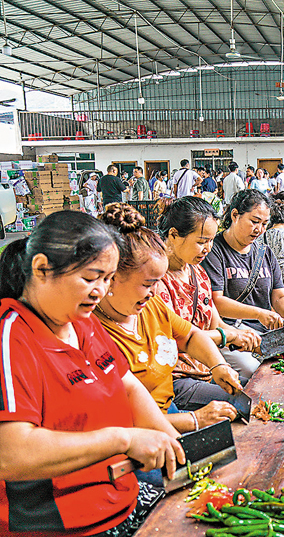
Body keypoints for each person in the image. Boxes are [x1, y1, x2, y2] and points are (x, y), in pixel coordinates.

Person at [0, 210, 184, 535]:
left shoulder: (84, 323)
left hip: (119, 499)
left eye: (108, 278)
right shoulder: (12, 338)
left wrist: (176, 445)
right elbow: (12, 454)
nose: (100, 290)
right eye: (90, 278)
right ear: (41, 269)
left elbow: (128, 386)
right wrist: (124, 439)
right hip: (61, 524)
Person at [95, 204, 243, 435]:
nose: (155, 291)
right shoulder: (92, 333)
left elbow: (190, 335)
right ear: (111, 278)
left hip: (169, 410)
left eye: (157, 282)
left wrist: (219, 365)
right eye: (147, 284)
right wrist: (194, 420)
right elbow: (123, 421)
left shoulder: (151, 307)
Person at [155, 197, 262, 386]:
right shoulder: (155, 280)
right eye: (201, 241)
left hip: (205, 371)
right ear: (173, 235)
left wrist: (249, 339)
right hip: (175, 379)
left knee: (259, 386)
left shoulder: (198, 273)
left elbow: (216, 323)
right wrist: (230, 336)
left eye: (211, 241)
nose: (208, 249)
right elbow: (176, 339)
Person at [201, 190, 284, 332]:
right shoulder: (214, 251)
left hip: (264, 331)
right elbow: (216, 301)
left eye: (264, 224)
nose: (259, 229)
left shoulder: (265, 252)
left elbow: (279, 295)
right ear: (235, 215)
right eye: (255, 221)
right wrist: (258, 314)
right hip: (232, 332)